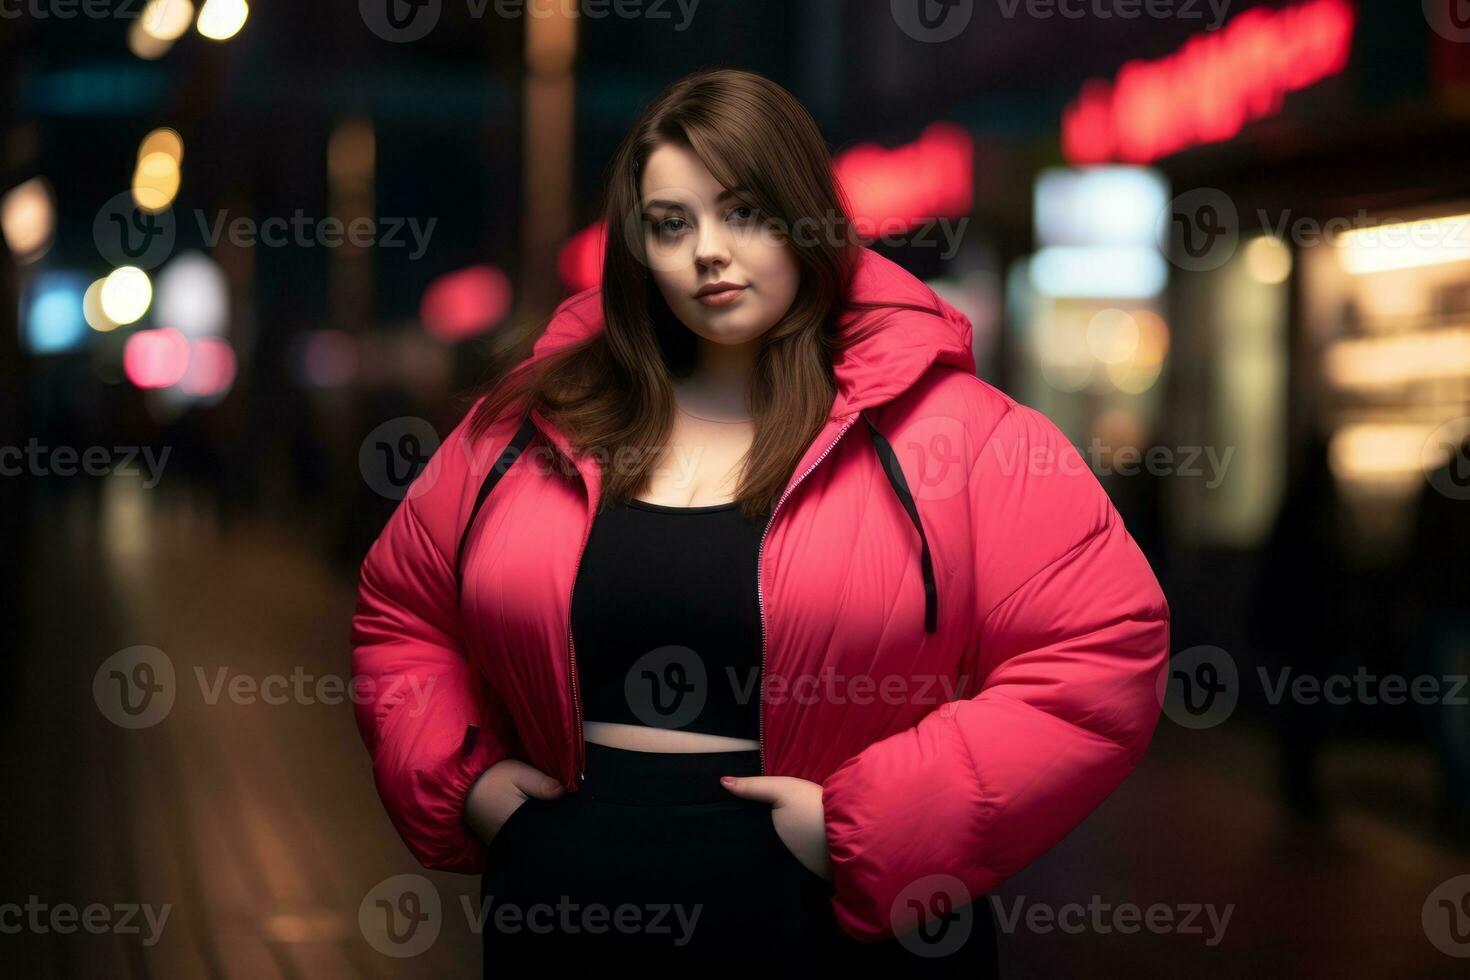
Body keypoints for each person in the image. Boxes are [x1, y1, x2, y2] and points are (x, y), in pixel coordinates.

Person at [349, 68, 1171, 973]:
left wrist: (868, 829)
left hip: (834, 927)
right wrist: (464, 785)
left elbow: (1102, 651)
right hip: (568, 914)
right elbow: (402, 613)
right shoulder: (525, 427)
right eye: (672, 223)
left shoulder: (960, 433)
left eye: (742, 212)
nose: (708, 250)